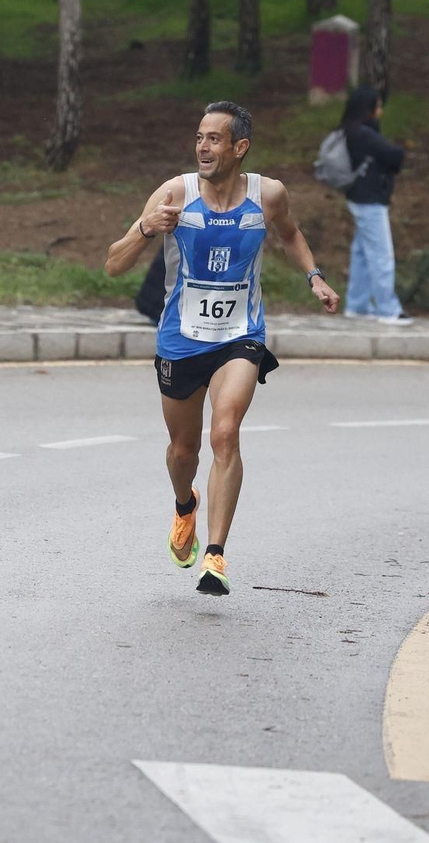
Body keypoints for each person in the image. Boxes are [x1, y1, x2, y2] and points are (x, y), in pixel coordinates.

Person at [105, 101, 340, 595]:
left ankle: (215, 555)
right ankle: (184, 505)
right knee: (182, 451)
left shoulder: (268, 194)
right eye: (198, 137)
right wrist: (149, 229)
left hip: (240, 336)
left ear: (240, 147)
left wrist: (314, 277)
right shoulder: (174, 193)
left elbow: (291, 234)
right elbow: (113, 264)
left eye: (214, 139)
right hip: (180, 339)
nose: (203, 147)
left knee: (226, 432)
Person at [339, 86, 412, 325]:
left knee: (361, 253)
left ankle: (357, 304)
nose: (380, 111)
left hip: (360, 197)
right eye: (377, 106)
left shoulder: (352, 131)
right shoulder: (364, 134)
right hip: (370, 200)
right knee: (382, 254)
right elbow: (394, 155)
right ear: (367, 109)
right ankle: (388, 308)